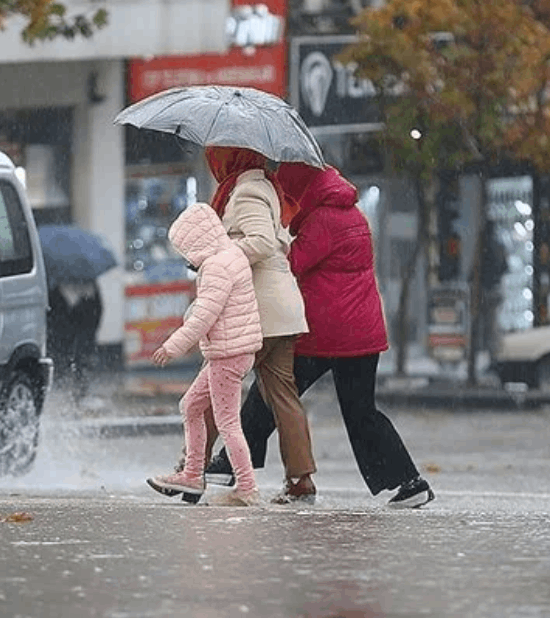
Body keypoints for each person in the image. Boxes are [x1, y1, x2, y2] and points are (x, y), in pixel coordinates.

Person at [208, 163, 436, 509]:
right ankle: (408, 481)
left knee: (273, 392)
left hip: (326, 333)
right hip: (362, 334)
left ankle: (229, 465)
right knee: (362, 413)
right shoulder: (351, 215)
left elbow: (292, 264)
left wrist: (272, 239)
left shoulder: (323, 221)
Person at [197, 146, 316, 504]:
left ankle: (192, 468)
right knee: (283, 397)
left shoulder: (246, 190)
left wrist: (219, 257)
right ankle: (301, 479)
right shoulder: (267, 187)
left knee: (212, 389)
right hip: (283, 310)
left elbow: (262, 242)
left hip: (256, 311)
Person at [146, 203, 265, 507]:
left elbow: (204, 316)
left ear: (195, 242)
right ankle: (192, 475)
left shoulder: (215, 266)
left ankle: (247, 487)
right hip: (234, 351)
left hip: (228, 354)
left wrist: (172, 346)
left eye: (184, 249)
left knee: (227, 423)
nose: (186, 257)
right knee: (190, 406)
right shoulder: (232, 254)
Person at [47, 278, 103, 402]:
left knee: (79, 359)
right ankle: (70, 390)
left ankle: (77, 391)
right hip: (68, 334)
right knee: (71, 359)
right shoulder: (90, 287)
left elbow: (96, 311)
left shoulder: (58, 286)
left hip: (78, 333)